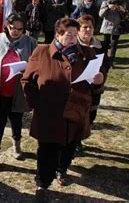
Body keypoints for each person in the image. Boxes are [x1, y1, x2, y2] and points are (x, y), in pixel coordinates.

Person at [21, 18, 104, 201]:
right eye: (69, 34)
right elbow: (27, 81)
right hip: (49, 113)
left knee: (69, 144)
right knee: (47, 150)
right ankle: (42, 183)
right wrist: (36, 104)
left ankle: (62, 170)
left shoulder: (87, 53)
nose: (74, 38)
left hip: (76, 110)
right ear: (58, 34)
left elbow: (95, 85)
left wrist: (98, 83)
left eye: (76, 34)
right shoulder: (42, 51)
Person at [0, 13, 37, 171]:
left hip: (19, 90)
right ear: (7, 26)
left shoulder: (31, 42)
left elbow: (36, 66)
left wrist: (28, 69)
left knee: (17, 119)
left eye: (20, 29)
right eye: (13, 28)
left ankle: (17, 145)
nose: (16, 32)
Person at [77, 14, 109, 131]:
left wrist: (101, 76)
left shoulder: (100, 46)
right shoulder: (72, 46)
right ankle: (76, 141)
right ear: (78, 29)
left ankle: (83, 133)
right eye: (85, 27)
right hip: (78, 86)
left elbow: (106, 64)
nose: (88, 30)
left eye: (90, 27)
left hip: (95, 86)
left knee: (91, 114)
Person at [99, 0, 128, 68]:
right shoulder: (106, 2)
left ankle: (111, 61)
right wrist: (108, 8)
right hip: (107, 25)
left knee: (114, 44)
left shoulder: (122, 3)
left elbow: (125, 17)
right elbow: (100, 14)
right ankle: (104, 60)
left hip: (117, 25)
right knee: (105, 43)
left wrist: (122, 10)